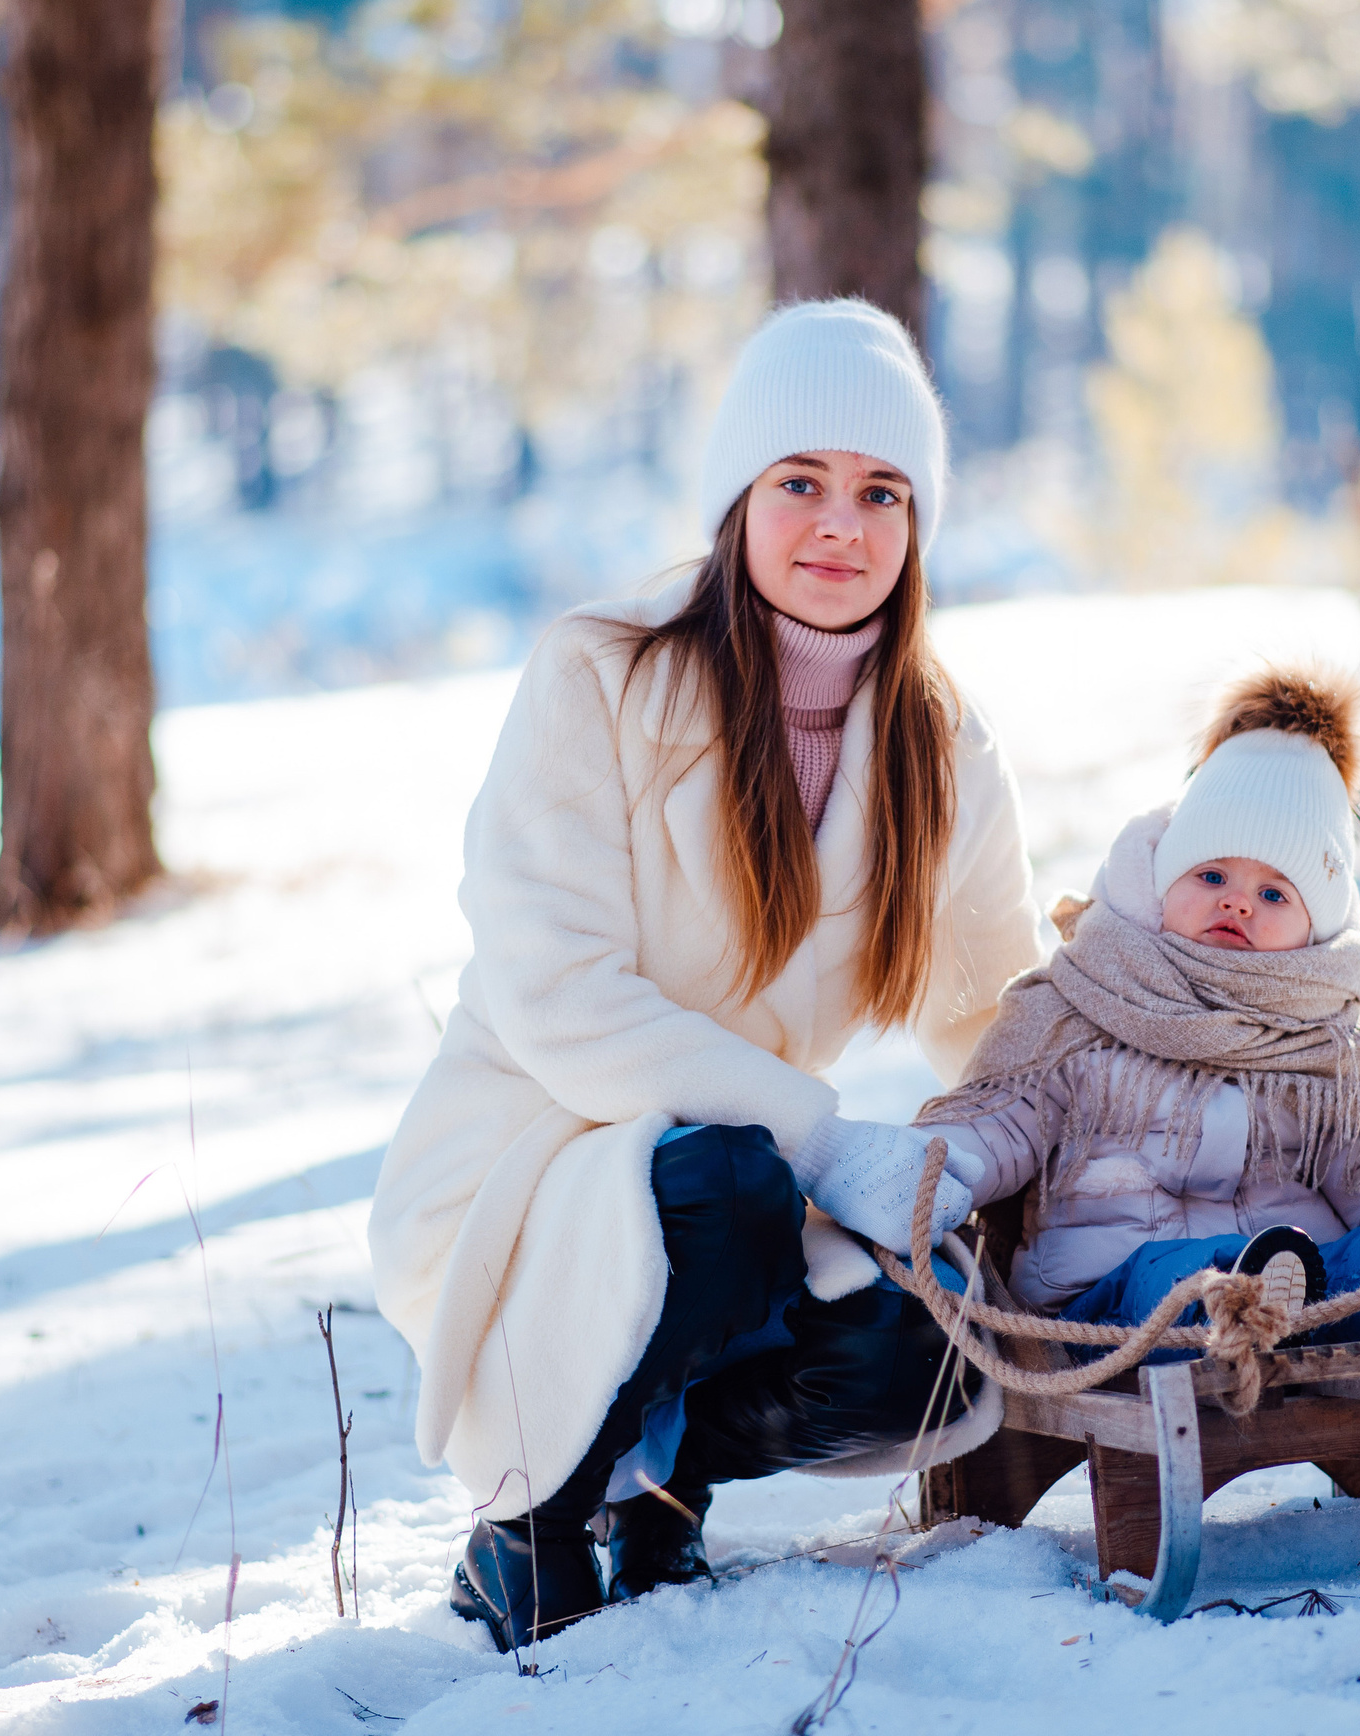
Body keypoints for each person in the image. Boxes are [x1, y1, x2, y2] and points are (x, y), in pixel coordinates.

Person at [365, 300, 1043, 1652]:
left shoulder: (940, 742)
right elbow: (559, 994)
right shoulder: (603, 673)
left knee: (926, 1349)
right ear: (739, 499)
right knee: (725, 1177)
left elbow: (997, 1013)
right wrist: (818, 1134)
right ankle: (532, 1523)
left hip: (744, 1188)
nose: (839, 526)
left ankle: (666, 1481)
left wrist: (1110, 1116)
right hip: (532, 1170)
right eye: (801, 483)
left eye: (881, 492)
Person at [907, 669, 1360, 1352]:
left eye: (1274, 895)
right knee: (1170, 1276)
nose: (1237, 902)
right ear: (1162, 879)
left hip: (1304, 1289)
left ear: (1314, 928)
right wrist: (924, 1171)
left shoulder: (1331, 1047)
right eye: (1211, 876)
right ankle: (1241, 1292)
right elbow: (999, 1119)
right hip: (1106, 1306)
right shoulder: (1079, 1006)